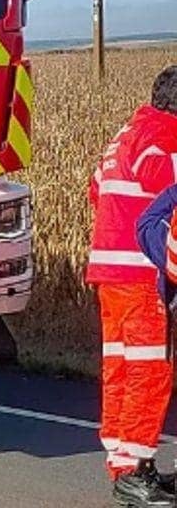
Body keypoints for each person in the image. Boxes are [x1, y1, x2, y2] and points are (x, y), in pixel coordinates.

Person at [88, 66, 177, 507]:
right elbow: (165, 188)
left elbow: (96, 189)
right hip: (141, 274)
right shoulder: (164, 136)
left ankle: (127, 466)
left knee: (121, 369)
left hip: (110, 273)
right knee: (149, 370)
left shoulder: (127, 133)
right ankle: (136, 469)